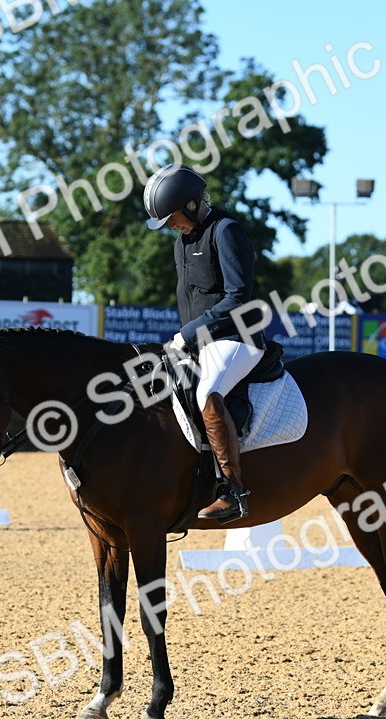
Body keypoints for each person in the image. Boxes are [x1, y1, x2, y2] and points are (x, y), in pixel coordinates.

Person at [143, 164, 265, 524]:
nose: (170, 226)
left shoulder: (225, 231)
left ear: (193, 205)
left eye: (173, 218)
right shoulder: (184, 241)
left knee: (207, 394)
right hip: (199, 341)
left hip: (237, 338)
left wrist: (190, 332)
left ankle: (233, 491)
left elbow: (238, 297)